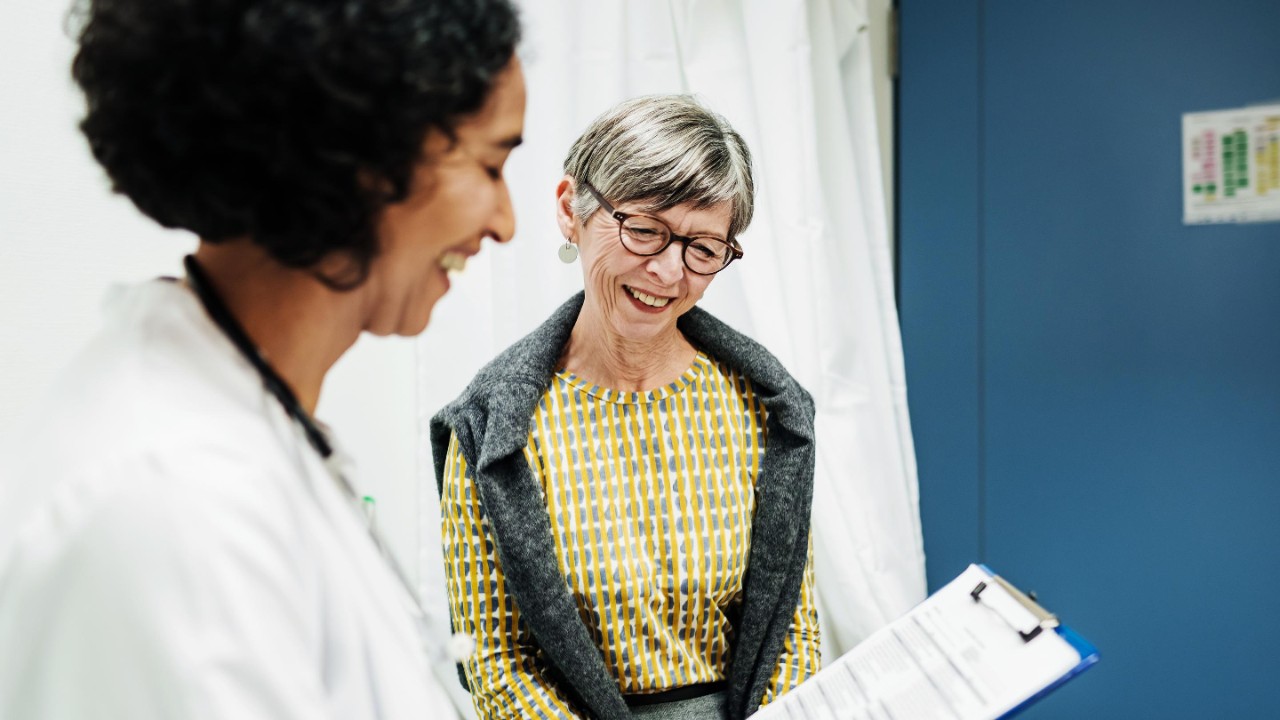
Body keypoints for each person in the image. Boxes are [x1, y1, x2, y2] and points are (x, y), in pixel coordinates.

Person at [0, 1, 524, 718]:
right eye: (492, 164)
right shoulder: (174, 498)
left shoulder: (248, 423)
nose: (505, 223)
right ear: (365, 158)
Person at [432, 95, 821, 720]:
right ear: (571, 210)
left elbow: (790, 629)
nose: (668, 273)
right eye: (644, 230)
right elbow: (496, 663)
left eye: (703, 248)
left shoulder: (765, 408)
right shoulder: (490, 429)